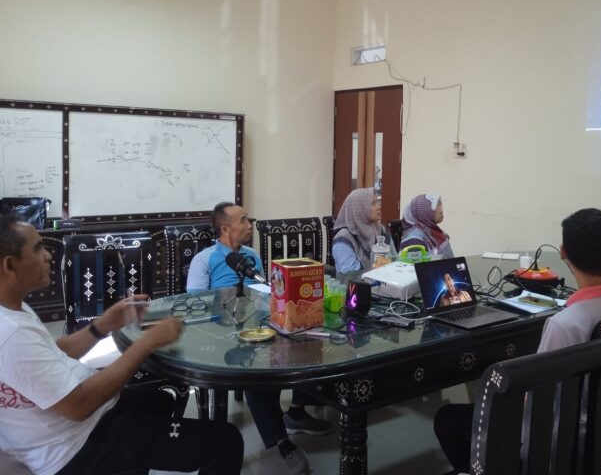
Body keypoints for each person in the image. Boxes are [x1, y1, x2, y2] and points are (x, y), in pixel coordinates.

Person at [0, 215, 244, 475]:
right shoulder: (11, 334)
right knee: (226, 441)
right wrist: (147, 343)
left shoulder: (13, 309)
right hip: (76, 449)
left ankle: (142, 452)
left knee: (161, 400)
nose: (48, 255)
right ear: (10, 265)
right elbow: (79, 405)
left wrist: (102, 325)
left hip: (81, 425)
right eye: (38, 249)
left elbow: (52, 353)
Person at [433, 208, 601, 474]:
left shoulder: (565, 325)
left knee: (448, 419)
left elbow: (535, 404)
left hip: (562, 450)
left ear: (563, 253)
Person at [187, 202, 329, 475]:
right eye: (243, 221)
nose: (249, 225)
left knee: (307, 338)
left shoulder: (251, 255)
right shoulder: (204, 260)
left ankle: (297, 411)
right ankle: (282, 443)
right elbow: (194, 303)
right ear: (225, 228)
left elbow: (265, 289)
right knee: (256, 373)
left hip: (262, 325)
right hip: (225, 336)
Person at [332, 187, 395, 274]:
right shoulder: (343, 239)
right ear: (358, 208)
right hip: (355, 286)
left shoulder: (381, 230)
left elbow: (395, 261)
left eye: (378, 202)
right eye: (373, 203)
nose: (379, 207)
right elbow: (350, 274)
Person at [400, 193, 454, 259]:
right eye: (436, 206)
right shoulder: (414, 240)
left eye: (440, 205)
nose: (441, 211)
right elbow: (417, 268)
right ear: (422, 212)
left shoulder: (434, 231)